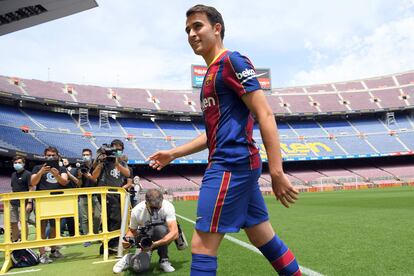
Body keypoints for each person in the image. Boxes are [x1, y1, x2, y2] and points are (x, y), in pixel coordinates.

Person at [147, 4, 301, 275]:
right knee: (262, 236)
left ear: (217, 29)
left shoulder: (232, 61)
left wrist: (276, 172)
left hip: (230, 165)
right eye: (187, 30)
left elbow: (265, 114)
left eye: (198, 26)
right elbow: (213, 133)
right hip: (235, 164)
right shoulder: (210, 73)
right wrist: (173, 154)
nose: (191, 34)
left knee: (202, 246)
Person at [113, 189, 178, 274]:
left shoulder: (168, 206)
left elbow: (175, 233)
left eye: (158, 206)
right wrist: (127, 240)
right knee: (139, 268)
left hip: (160, 235)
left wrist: (155, 244)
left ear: (162, 200)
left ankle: (164, 260)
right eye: (152, 207)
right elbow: (132, 231)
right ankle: (128, 259)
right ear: (146, 203)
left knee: (161, 230)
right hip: (144, 238)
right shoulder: (136, 211)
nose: (156, 209)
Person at [31, 146, 69, 264]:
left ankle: (53, 250)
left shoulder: (61, 168)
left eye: (53, 155)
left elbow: (64, 182)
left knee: (55, 227)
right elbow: (32, 182)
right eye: (48, 155)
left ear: (57, 156)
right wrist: (41, 172)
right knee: (42, 227)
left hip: (56, 201)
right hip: (42, 201)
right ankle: (42, 254)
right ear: (45, 156)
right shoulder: (38, 168)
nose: (51, 157)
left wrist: (56, 175)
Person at [92, 139, 130, 252]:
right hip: (106, 193)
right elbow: (94, 176)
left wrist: (117, 163)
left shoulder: (122, 162)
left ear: (122, 150)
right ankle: (110, 243)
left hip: (117, 194)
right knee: (113, 218)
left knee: (113, 218)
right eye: (114, 149)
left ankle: (107, 245)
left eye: (119, 149)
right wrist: (101, 163)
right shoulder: (104, 162)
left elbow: (127, 173)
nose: (117, 151)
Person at [77, 148, 100, 247]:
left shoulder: (95, 167)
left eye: (87, 154)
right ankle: (87, 238)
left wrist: (89, 176)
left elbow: (97, 181)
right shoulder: (80, 168)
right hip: (83, 195)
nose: (85, 156)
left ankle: (95, 233)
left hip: (95, 194)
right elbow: (79, 184)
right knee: (84, 218)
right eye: (84, 154)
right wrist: (79, 176)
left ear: (91, 155)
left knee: (97, 216)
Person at [10, 156, 33, 242]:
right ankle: (15, 241)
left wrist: (30, 202)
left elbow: (31, 188)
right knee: (13, 223)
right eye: (15, 163)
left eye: (19, 163)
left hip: (24, 203)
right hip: (13, 203)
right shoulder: (13, 175)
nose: (17, 164)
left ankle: (24, 241)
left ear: (23, 164)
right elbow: (13, 188)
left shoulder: (28, 174)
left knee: (23, 222)